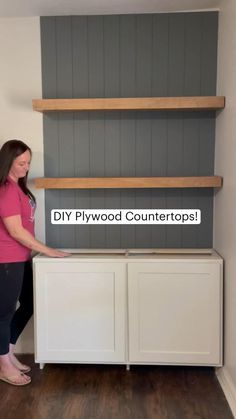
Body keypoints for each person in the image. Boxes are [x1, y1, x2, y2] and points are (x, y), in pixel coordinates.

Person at [0, 139, 69, 386]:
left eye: (28, 162)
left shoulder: (18, 188)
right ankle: (3, 365)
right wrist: (47, 250)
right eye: (21, 162)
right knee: (4, 313)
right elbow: (16, 231)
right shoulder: (6, 190)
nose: (26, 167)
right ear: (8, 161)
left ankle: (7, 352)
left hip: (21, 257)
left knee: (29, 302)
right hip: (6, 260)